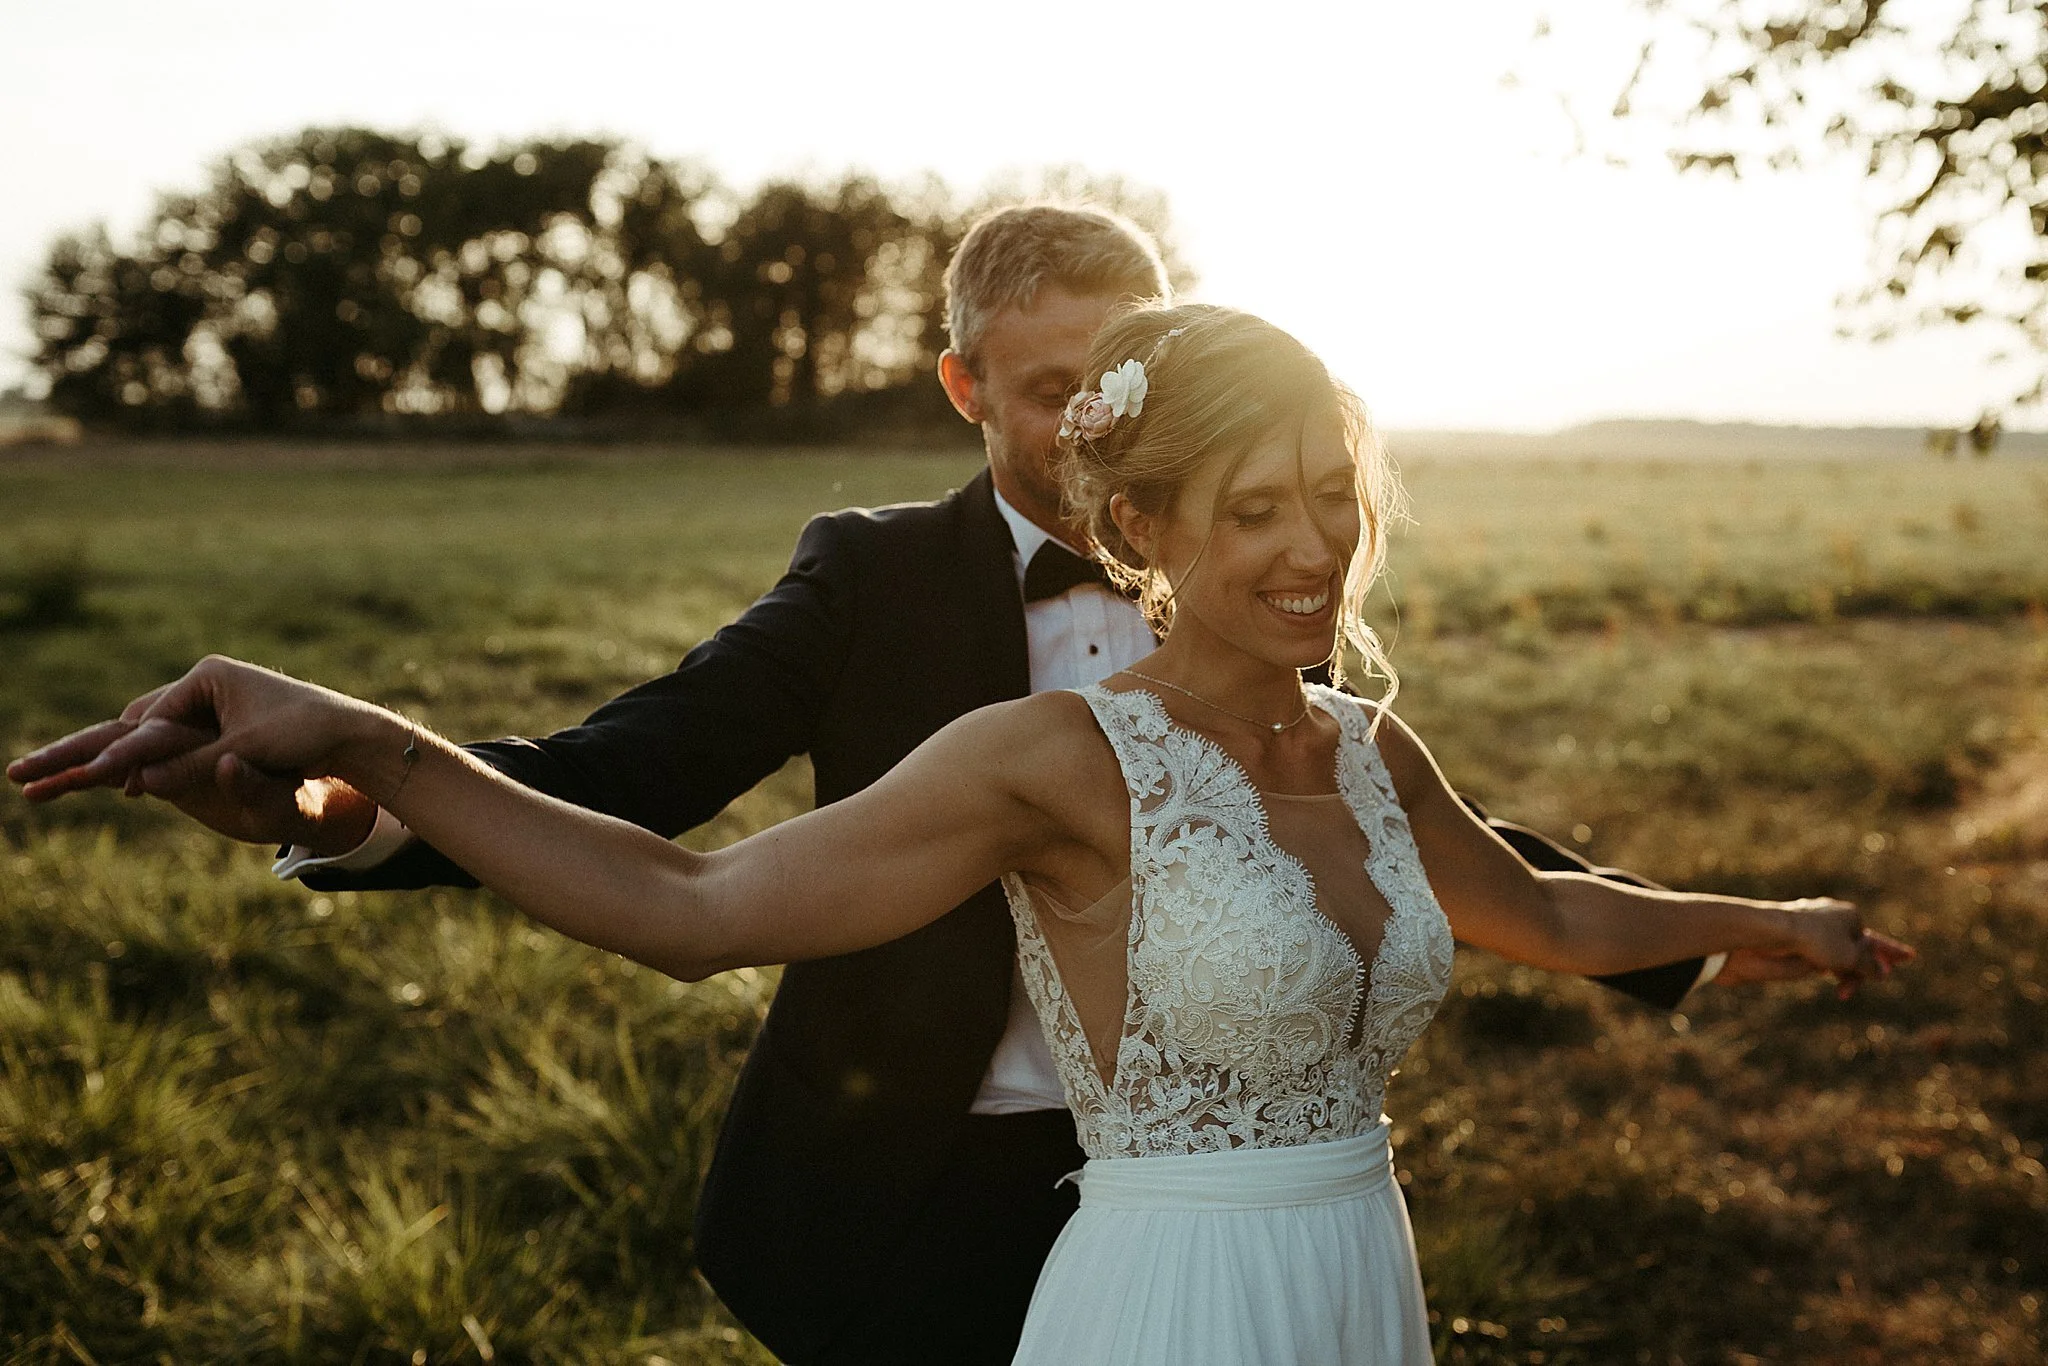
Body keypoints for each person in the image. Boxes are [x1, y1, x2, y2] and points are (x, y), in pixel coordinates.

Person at [9, 209, 1827, 1365]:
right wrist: (354, 781)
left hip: (1323, 1247)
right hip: (920, 1186)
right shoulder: (875, 585)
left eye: (1134, 381)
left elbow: (1427, 852)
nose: (1092, 420)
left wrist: (1731, 929)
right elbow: (634, 805)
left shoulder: (1300, 649)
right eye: (1054, 389)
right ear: (969, 386)